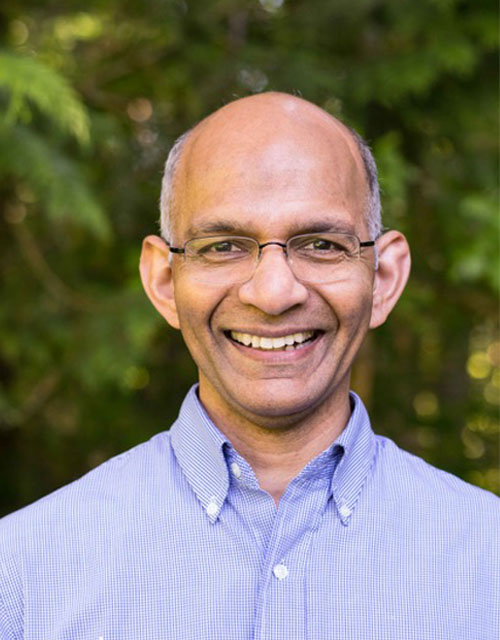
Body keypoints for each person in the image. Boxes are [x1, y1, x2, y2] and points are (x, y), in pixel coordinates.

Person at [0, 92, 498, 640]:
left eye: (320, 244)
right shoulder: (24, 574)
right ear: (164, 282)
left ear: (382, 279)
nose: (274, 292)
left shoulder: (487, 560)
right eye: (224, 246)